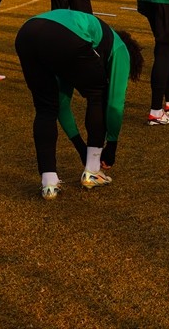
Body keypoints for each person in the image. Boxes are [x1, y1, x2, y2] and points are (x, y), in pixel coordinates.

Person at [15, 10, 144, 199]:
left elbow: (62, 104)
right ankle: (93, 170)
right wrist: (112, 144)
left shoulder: (90, 41)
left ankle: (49, 183)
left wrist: (81, 147)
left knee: (45, 108)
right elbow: (115, 104)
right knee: (98, 94)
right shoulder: (120, 49)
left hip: (26, 33)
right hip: (62, 35)